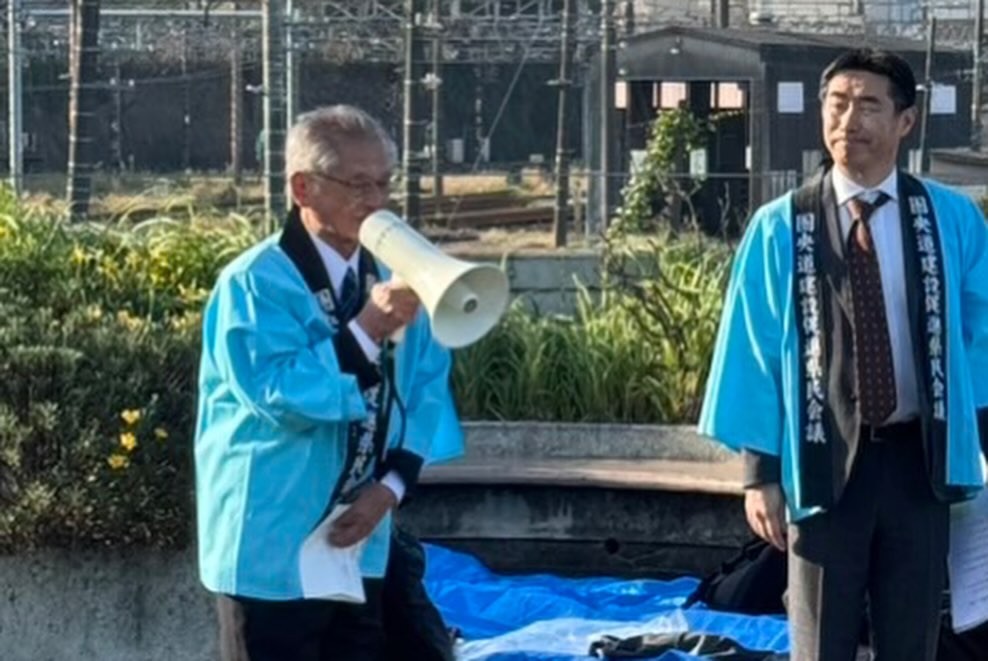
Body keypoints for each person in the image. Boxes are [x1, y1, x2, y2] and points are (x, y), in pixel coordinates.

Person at [698, 49, 988, 661]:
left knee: (911, 639)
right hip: (822, 464)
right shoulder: (781, 226)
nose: (848, 119)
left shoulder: (953, 220)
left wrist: (978, 446)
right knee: (820, 639)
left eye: (868, 104)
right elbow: (753, 352)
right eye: (837, 103)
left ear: (905, 121)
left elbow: (980, 337)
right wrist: (761, 474)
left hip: (921, 464)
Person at [195, 104, 463, 661]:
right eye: (357, 184)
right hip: (271, 544)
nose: (375, 200)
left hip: (358, 541)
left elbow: (427, 389)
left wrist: (389, 490)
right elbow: (277, 394)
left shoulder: (395, 273)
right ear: (303, 188)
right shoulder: (252, 282)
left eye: (384, 183)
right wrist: (367, 329)